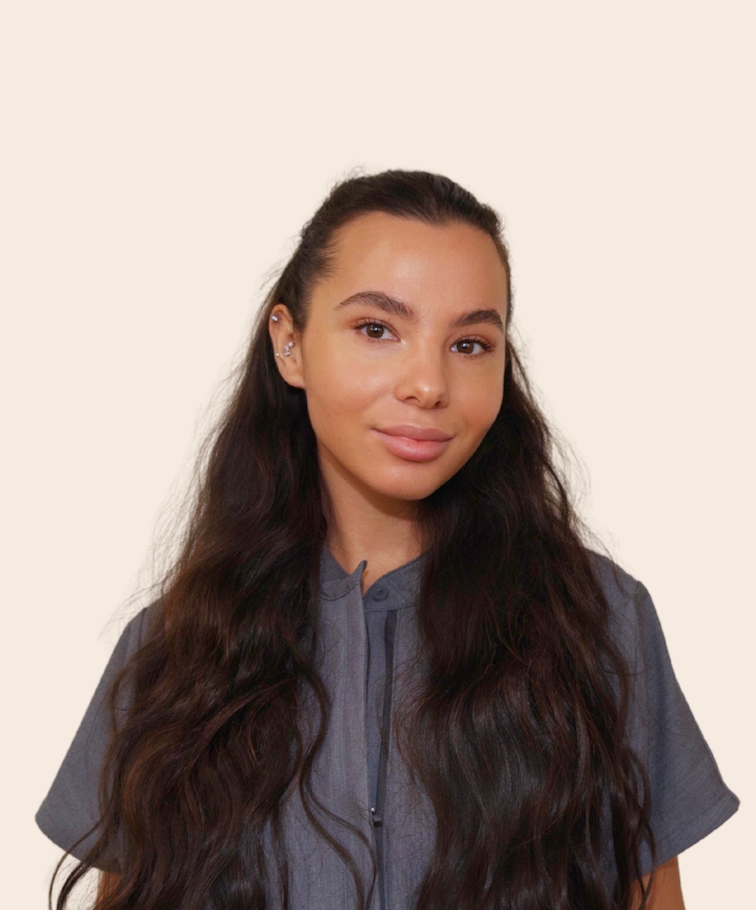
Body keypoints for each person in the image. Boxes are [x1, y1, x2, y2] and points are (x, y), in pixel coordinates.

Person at [36, 169, 739, 910]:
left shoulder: (599, 624)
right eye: (377, 330)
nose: (428, 383)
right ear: (290, 344)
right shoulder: (173, 652)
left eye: (469, 344)